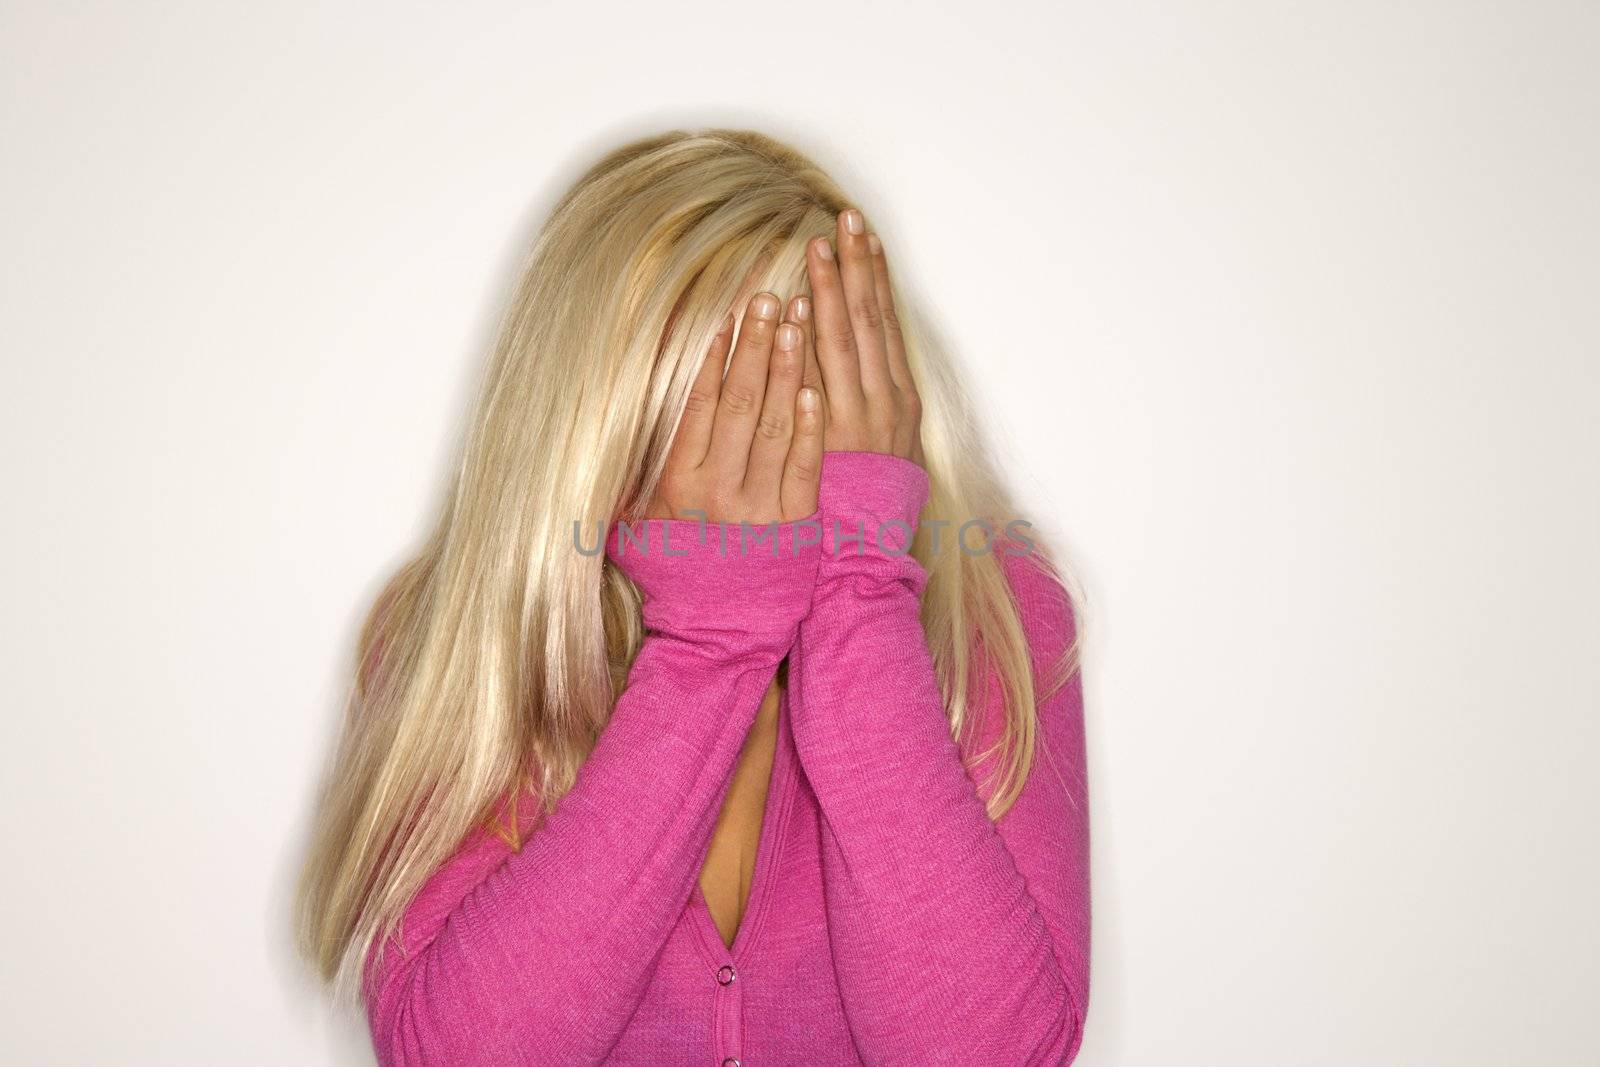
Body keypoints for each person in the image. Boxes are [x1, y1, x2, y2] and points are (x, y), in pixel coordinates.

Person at [295, 129, 1090, 1066]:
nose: (760, 445)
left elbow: (994, 1054)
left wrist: (860, 590)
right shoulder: (463, 644)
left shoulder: (992, 618)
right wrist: (711, 640)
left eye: (801, 391)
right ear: (602, 419)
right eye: (723, 398)